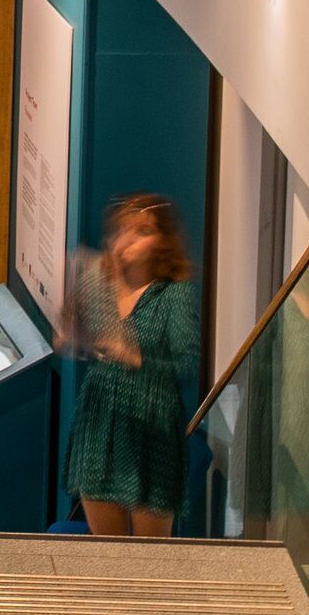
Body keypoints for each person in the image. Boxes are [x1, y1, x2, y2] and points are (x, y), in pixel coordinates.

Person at [64, 193, 201, 537]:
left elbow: (189, 363)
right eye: (124, 229)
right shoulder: (100, 281)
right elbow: (72, 336)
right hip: (100, 424)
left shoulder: (173, 293)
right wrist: (72, 333)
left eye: (142, 231)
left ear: (162, 242)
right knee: (108, 550)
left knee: (148, 558)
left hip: (151, 430)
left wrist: (137, 358)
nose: (129, 239)